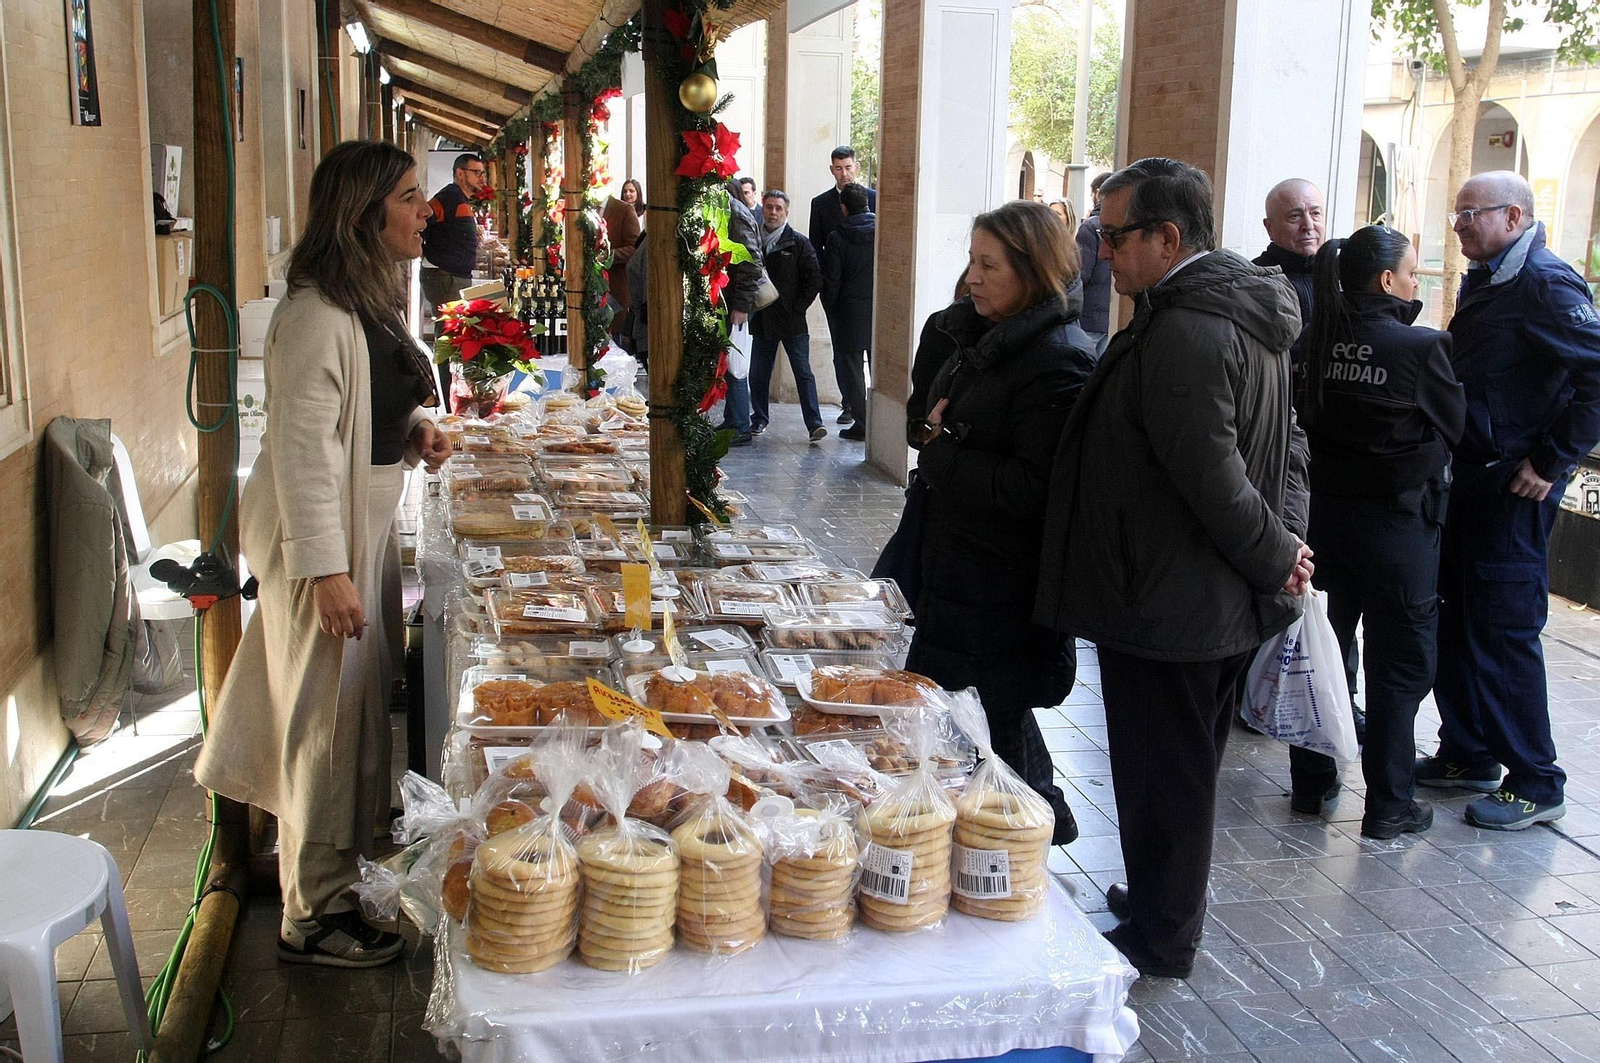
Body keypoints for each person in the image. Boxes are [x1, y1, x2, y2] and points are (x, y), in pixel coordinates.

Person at [1035, 157, 1311, 979]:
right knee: (1172, 770)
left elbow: (1215, 476)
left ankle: (1164, 937)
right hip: (1195, 593)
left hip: (1172, 600)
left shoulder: (1191, 328)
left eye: (1115, 236)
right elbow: (1290, 453)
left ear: (1168, 235)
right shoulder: (1217, 309)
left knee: (1171, 779)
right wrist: (1288, 546)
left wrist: (1277, 557)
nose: (1103, 253)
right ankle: (1159, 898)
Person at [195, 141, 453, 968]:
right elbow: (306, 448)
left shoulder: (366, 295)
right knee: (320, 723)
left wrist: (414, 431)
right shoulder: (312, 314)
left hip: (358, 528)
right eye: (412, 197)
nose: (427, 211)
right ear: (364, 211)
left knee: (350, 715)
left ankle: (338, 869)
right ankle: (311, 913)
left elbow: (368, 404)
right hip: (324, 539)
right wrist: (324, 566)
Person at [904, 200, 1097, 845]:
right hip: (960, 569)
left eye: (989, 265)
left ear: (1032, 270)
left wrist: (942, 453)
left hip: (999, 587)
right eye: (972, 261)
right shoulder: (984, 337)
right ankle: (1037, 817)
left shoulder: (1057, 360)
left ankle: (1021, 844)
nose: (973, 277)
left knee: (995, 728)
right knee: (989, 722)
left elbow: (1033, 488)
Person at [1419, 170, 1600, 829]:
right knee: (1461, 620)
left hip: (1510, 491)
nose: (1460, 224)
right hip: (1471, 483)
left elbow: (1596, 376)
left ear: (1515, 218)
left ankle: (1536, 779)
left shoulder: (1545, 284)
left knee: (1503, 630)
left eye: (1473, 214)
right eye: (1457, 214)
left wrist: (1549, 460)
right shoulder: (1491, 277)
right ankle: (1468, 753)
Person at [1285, 225, 1465, 837]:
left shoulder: (1313, 342)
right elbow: (1456, 427)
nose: (1417, 282)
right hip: (1398, 533)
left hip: (1324, 524)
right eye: (1413, 273)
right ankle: (1389, 804)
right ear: (1387, 281)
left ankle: (1311, 787)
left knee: (1322, 656)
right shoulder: (1422, 348)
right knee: (1400, 669)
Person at [750, 190, 827, 443]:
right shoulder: (752, 240)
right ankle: (759, 418)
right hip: (762, 318)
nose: (773, 212)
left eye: (778, 208)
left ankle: (814, 423)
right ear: (763, 208)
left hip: (792, 320)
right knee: (759, 373)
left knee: (803, 372)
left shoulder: (799, 243)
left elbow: (814, 278)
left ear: (786, 212)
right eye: (769, 207)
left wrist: (798, 307)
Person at [808, 146, 878, 424]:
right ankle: (850, 404)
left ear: (856, 168)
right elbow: (816, 248)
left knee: (871, 356)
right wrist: (826, 292)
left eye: (848, 167)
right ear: (832, 170)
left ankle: (870, 413)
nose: (844, 173)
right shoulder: (821, 203)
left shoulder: (874, 199)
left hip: (868, 293)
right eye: (838, 168)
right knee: (843, 355)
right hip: (837, 293)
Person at [822, 183, 876, 442]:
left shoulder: (837, 237)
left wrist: (830, 308)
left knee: (853, 371)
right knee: (879, 367)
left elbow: (831, 280)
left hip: (848, 312)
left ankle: (862, 423)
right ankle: (881, 423)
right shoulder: (882, 231)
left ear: (843, 207)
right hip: (877, 310)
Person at [1252, 178, 1326, 364]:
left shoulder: (1342, 275)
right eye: (1295, 216)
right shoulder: (1253, 280)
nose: (1308, 225)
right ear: (1269, 227)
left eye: (1315, 213)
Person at [717, 178, 765, 446]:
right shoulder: (730, 212)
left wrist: (741, 306)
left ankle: (740, 424)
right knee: (730, 362)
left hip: (737, 302)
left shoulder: (735, 213)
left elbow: (750, 260)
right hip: (732, 298)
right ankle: (733, 418)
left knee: (736, 364)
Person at [1076, 172, 1113, 354]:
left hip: (1088, 317)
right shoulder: (1122, 227)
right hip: (1108, 318)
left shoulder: (1090, 227)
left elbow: (1080, 274)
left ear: (1097, 193)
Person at [602, 190, 642, 338]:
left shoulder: (624, 210)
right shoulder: (582, 209)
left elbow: (634, 248)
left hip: (615, 289)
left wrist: (608, 256)